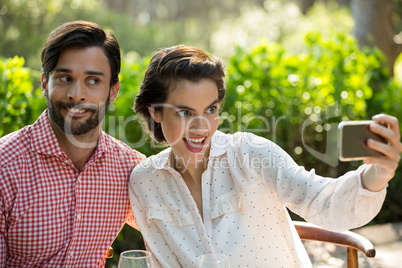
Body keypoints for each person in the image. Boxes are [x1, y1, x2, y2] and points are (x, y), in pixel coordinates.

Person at [128, 45, 402, 267]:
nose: (201, 128)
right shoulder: (145, 182)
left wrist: (376, 175)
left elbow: (322, 202)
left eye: (211, 110)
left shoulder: (250, 153)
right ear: (155, 112)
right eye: (185, 113)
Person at [0, 21, 145, 267]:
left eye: (93, 81)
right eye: (65, 78)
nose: (76, 94)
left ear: (113, 90)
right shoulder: (5, 167)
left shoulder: (130, 168)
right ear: (45, 84)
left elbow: (178, 232)